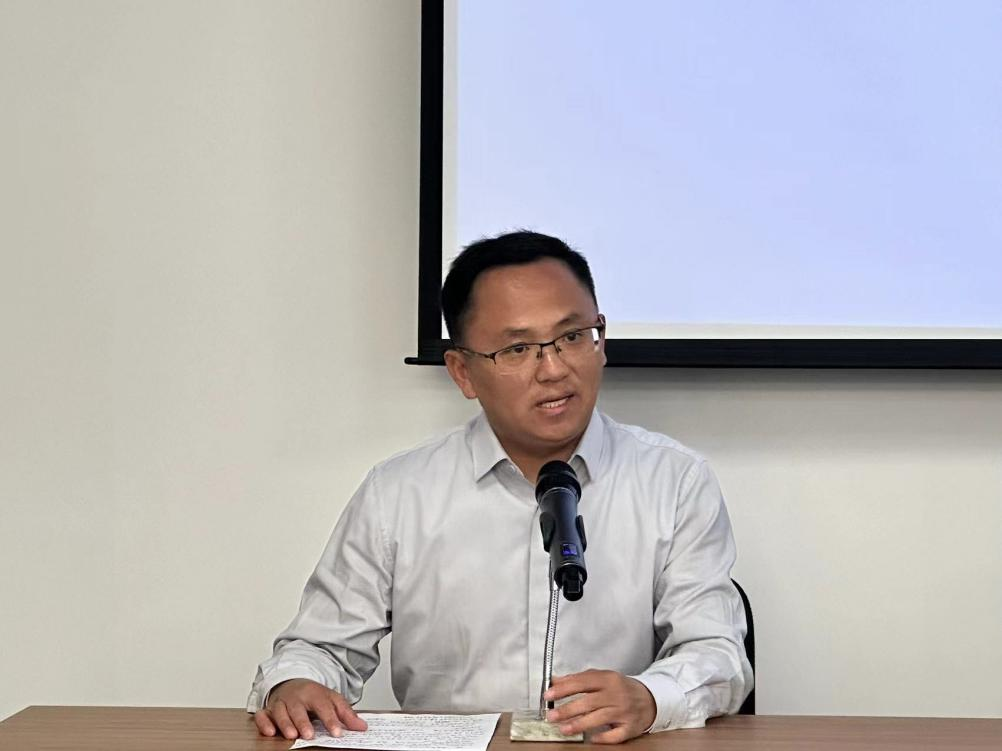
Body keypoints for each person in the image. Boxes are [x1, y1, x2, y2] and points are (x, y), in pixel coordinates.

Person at [248, 231, 753, 743]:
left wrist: (650, 698)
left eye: (573, 336)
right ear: (462, 372)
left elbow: (717, 654)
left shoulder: (674, 481)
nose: (554, 368)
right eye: (517, 349)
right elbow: (319, 647)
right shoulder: (399, 493)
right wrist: (295, 684)